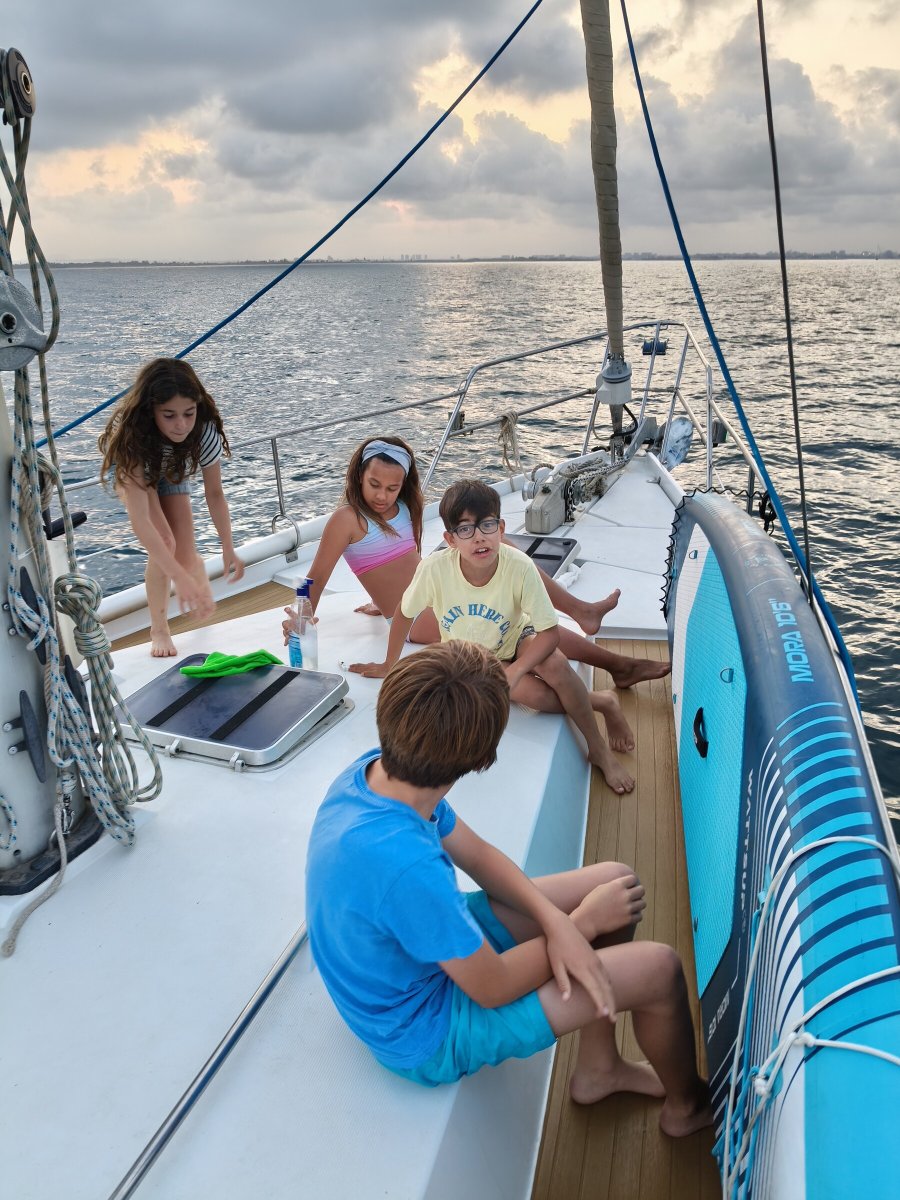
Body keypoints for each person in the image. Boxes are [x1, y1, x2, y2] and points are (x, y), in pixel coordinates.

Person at [307, 641, 712, 1136]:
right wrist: (580, 925)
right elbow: (492, 985)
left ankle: (599, 1068)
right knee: (660, 971)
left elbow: (479, 857)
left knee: (616, 883)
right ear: (479, 760)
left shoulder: (377, 773)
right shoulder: (407, 867)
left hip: (415, 959)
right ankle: (687, 1107)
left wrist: (559, 925)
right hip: (425, 1029)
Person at [283, 435, 669, 690]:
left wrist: (378, 593)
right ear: (358, 477)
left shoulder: (405, 507)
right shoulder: (347, 519)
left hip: (434, 589)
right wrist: (302, 619)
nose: (383, 496)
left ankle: (584, 615)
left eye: (392, 487)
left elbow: (410, 562)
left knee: (508, 555)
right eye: (374, 485)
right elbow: (314, 580)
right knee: (511, 616)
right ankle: (613, 660)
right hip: (418, 616)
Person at [350, 478, 636, 793]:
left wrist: (518, 668)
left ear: (500, 529)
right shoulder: (434, 570)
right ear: (450, 539)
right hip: (474, 657)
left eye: (487, 525)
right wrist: (390, 662)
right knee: (535, 697)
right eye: (465, 529)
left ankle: (598, 748)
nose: (479, 537)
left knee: (554, 665)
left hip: (517, 637)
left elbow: (549, 633)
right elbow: (404, 612)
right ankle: (603, 701)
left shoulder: (519, 566)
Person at [99, 357, 244, 657]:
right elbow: (141, 521)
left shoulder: (203, 430)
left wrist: (228, 546)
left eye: (188, 414)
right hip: (140, 468)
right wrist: (179, 578)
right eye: (169, 415)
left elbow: (215, 494)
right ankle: (159, 630)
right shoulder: (133, 440)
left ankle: (199, 594)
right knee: (165, 541)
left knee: (186, 551)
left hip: (171, 466)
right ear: (151, 411)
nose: (181, 425)